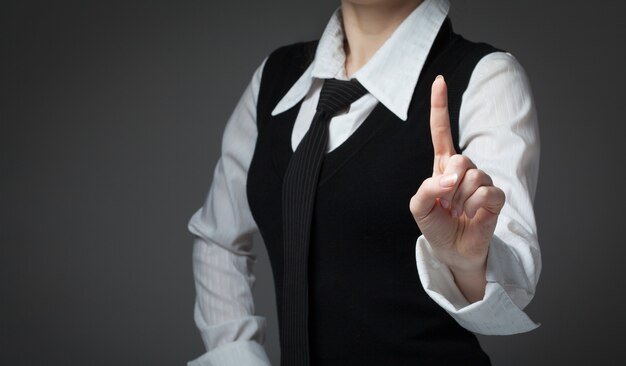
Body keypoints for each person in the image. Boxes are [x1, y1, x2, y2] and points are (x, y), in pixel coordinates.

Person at [187, 0, 541, 365]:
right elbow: (218, 238)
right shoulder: (274, 78)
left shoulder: (486, 77)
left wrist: (469, 262)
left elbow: (512, 283)